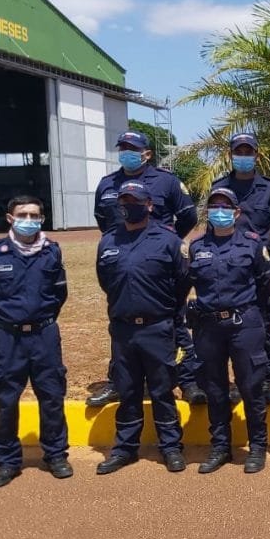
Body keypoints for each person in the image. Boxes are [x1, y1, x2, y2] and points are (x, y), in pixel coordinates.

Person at [88, 130, 204, 407]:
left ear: (147, 153)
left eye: (133, 147)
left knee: (173, 317)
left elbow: (188, 215)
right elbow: (103, 220)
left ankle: (188, 380)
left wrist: (167, 241)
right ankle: (119, 381)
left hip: (160, 260)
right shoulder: (107, 184)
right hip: (122, 258)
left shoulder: (166, 181)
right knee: (122, 323)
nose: (126, 152)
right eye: (123, 147)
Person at [94, 181, 188, 474]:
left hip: (157, 328)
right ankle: (124, 449)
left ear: (149, 205)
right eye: (124, 200)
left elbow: (182, 282)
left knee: (162, 390)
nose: (128, 205)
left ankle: (171, 447)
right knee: (128, 390)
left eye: (135, 200)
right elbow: (105, 280)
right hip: (122, 330)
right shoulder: (109, 241)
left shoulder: (168, 240)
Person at [0, 196, 70, 488]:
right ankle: (7, 461)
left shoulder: (52, 252)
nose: (29, 219)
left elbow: (60, 294)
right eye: (23, 214)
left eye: (35, 214)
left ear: (42, 218)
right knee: (5, 400)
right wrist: (11, 321)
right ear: (10, 217)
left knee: (52, 397)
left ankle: (56, 455)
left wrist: (40, 320)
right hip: (8, 338)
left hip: (44, 334)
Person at [187, 188, 270, 474]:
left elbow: (266, 285)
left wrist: (257, 319)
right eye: (214, 206)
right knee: (214, 389)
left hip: (244, 324)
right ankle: (220, 447)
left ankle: (257, 447)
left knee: (251, 387)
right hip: (208, 326)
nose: (219, 211)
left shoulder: (252, 244)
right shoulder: (197, 247)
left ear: (237, 212)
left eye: (225, 206)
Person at [210, 132, 270, 405]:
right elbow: (211, 227)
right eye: (238, 152)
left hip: (260, 269)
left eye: (248, 152)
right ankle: (237, 382)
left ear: (257, 155)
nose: (243, 156)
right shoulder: (219, 187)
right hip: (229, 269)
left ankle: (265, 381)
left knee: (263, 325)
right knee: (229, 327)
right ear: (230, 155)